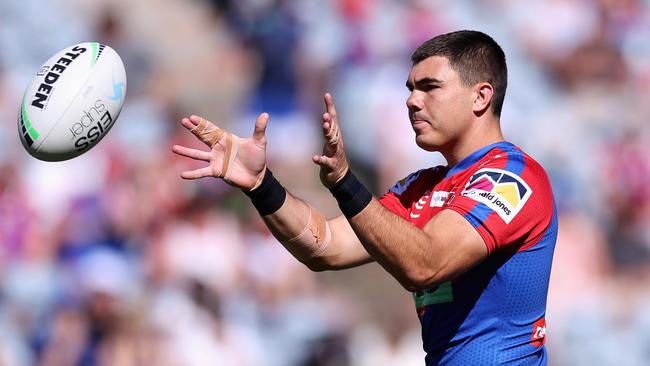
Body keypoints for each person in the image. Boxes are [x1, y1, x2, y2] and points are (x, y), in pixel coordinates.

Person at [172, 30, 557, 365]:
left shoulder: (511, 176)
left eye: (429, 87)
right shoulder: (421, 188)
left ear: (481, 97)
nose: (411, 101)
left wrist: (344, 182)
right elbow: (325, 246)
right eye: (410, 89)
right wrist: (260, 185)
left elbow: (429, 264)